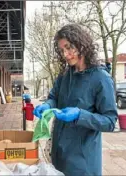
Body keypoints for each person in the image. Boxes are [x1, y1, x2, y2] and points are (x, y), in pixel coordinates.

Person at [33, 24, 118, 176]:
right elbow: (54, 97)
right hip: (59, 155)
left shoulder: (101, 78)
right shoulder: (65, 75)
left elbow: (110, 121)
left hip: (83, 162)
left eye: (68, 47)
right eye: (61, 50)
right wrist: (47, 105)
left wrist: (80, 115)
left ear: (81, 45)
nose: (65, 54)